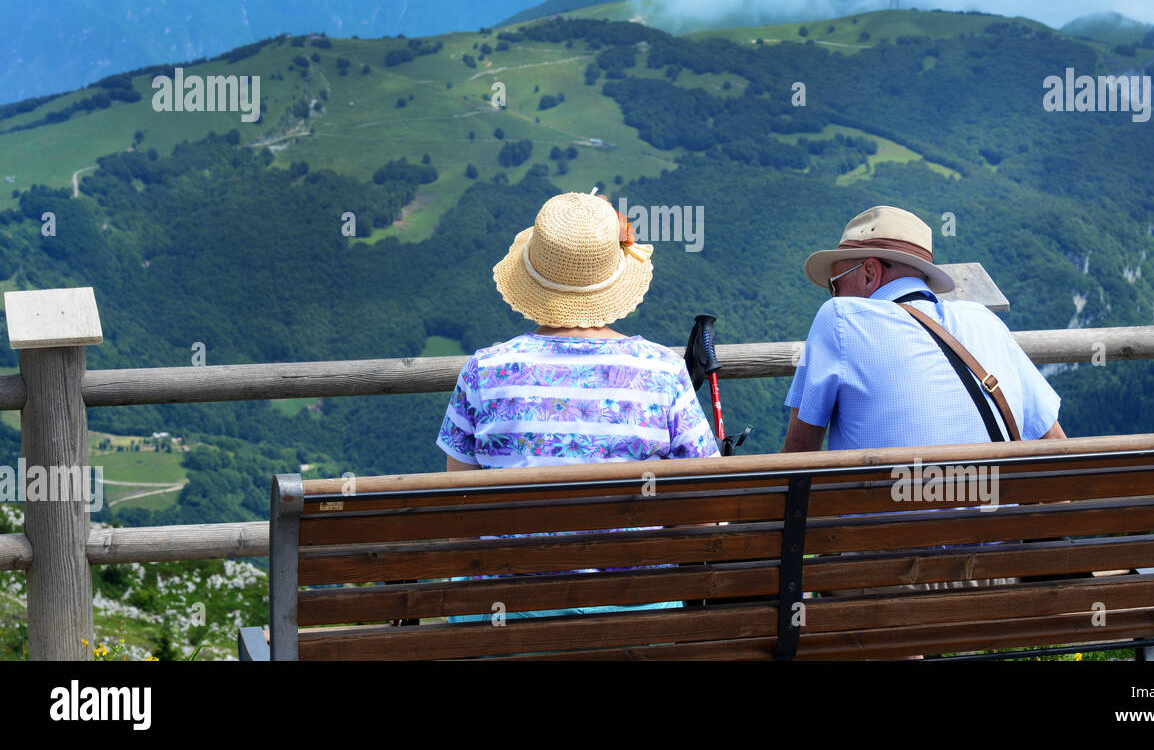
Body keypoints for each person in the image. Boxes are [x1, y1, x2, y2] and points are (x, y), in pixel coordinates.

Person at [436, 190, 719, 621]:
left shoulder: (483, 371)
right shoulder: (664, 372)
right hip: (634, 621)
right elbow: (701, 518)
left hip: (503, 621)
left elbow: (458, 522)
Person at [783, 205, 1065, 453]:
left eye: (835, 284)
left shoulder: (840, 318)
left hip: (891, 513)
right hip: (1000, 510)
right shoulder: (985, 320)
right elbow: (1056, 444)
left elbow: (798, 459)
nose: (834, 295)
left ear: (869, 273)